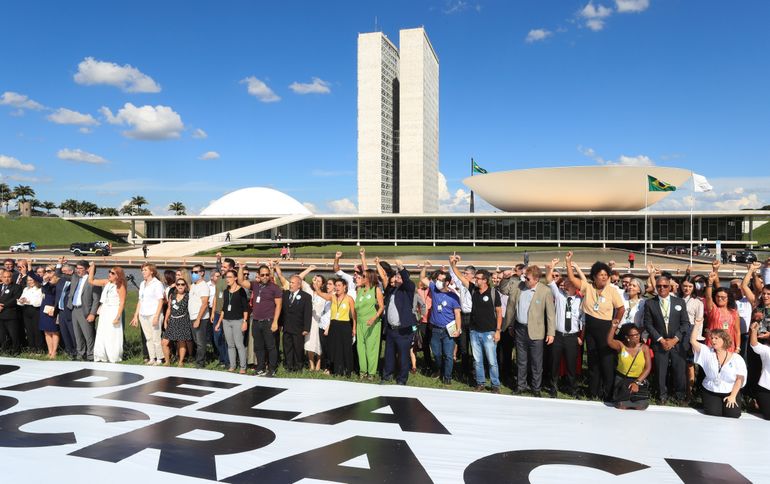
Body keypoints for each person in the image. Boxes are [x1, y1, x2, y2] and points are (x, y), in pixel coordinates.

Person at [565, 251, 625, 401]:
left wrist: (615, 324)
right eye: (601, 274)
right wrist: (568, 262)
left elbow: (621, 309)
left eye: (606, 274)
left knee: (607, 362)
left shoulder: (612, 290)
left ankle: (608, 392)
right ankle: (594, 391)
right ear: (594, 276)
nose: (604, 277)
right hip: (591, 329)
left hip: (606, 329)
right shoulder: (588, 287)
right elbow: (572, 278)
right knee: (593, 361)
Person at [499, 264, 555, 397]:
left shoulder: (545, 291)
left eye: (528, 278)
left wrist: (551, 333)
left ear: (536, 279)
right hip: (519, 329)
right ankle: (521, 385)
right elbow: (504, 291)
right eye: (525, 277)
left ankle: (536, 388)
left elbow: (550, 314)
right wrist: (505, 279)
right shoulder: (519, 286)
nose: (525, 280)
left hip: (536, 331)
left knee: (536, 362)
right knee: (521, 360)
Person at [451, 255, 502, 393]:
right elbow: (461, 277)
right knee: (477, 360)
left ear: (485, 280)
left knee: (492, 361)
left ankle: (495, 384)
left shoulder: (493, 293)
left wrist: (497, 331)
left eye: (478, 278)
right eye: (476, 278)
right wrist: (453, 265)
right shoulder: (473, 289)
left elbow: (499, 313)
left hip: (489, 332)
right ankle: (480, 383)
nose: (475, 280)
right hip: (475, 332)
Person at [644, 275, 690, 403]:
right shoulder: (650, 303)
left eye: (665, 286)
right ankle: (661, 395)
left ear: (670, 287)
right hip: (660, 343)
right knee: (660, 371)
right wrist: (661, 340)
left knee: (679, 370)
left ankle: (680, 396)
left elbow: (685, 323)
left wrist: (675, 339)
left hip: (677, 343)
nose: (662, 288)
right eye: (659, 286)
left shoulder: (679, 302)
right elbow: (648, 324)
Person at [690, 321, 747, 418]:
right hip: (711, 389)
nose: (713, 340)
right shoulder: (707, 352)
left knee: (733, 415)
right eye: (711, 338)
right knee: (714, 414)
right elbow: (692, 341)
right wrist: (697, 325)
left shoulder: (737, 358)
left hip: (730, 391)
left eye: (716, 338)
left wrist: (733, 396)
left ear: (724, 340)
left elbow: (740, 379)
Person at [544, 259, 583, 397]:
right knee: (554, 362)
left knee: (571, 364)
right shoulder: (559, 296)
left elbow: (582, 320)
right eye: (564, 284)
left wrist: (580, 336)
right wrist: (552, 266)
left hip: (572, 336)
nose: (565, 286)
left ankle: (572, 388)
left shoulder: (580, 301)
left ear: (575, 287)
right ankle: (553, 387)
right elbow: (549, 279)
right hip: (558, 335)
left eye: (568, 285)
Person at [420, 263, 461, 385]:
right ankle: (438, 369)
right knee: (437, 354)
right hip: (435, 329)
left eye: (441, 280)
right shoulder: (434, 289)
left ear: (448, 282)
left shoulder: (453, 296)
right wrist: (424, 267)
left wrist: (458, 329)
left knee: (448, 355)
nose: (438, 282)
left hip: (448, 330)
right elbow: (422, 278)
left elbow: (457, 314)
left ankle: (447, 377)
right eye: (438, 279)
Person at [239, 263, 282, 376]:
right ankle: (261, 368)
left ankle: (272, 369)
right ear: (258, 275)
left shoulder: (275, 288)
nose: (265, 277)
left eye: (267, 274)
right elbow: (241, 281)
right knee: (258, 346)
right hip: (256, 321)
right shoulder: (255, 285)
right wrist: (240, 268)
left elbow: (278, 306)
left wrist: (275, 321)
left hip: (269, 321)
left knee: (271, 346)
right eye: (262, 275)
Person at [381, 259, 417, 385]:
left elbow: (406, 280)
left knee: (403, 357)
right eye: (396, 276)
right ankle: (387, 376)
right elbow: (385, 279)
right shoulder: (392, 290)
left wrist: (401, 267)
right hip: (391, 329)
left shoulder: (408, 289)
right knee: (389, 355)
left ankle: (402, 379)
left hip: (403, 330)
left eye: (398, 276)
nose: (396, 278)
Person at [316, 277, 356, 376]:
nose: (337, 288)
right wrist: (316, 285)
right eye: (336, 286)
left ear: (344, 287)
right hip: (334, 325)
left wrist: (354, 328)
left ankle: (347, 370)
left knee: (345, 348)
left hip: (345, 325)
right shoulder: (332, 297)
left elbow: (354, 315)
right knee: (334, 348)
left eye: (339, 286)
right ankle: (336, 369)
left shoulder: (349, 299)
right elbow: (320, 294)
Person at [607, 322, 652, 410]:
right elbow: (610, 342)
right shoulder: (621, 346)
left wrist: (637, 382)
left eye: (638, 334)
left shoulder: (644, 348)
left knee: (642, 405)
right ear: (627, 337)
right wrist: (613, 328)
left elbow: (648, 368)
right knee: (621, 404)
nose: (637, 337)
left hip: (638, 380)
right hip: (622, 380)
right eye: (634, 335)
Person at [88, 264, 127, 363]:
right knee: (102, 332)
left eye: (112, 273)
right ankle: (101, 355)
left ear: (118, 275)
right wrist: (92, 268)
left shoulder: (120, 286)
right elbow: (91, 281)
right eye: (109, 271)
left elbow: (122, 302)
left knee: (112, 333)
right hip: (105, 310)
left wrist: (118, 316)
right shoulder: (106, 282)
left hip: (114, 310)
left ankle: (113, 356)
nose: (110, 274)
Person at [214, 270, 249, 373]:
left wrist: (245, 321)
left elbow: (245, 309)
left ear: (235, 278)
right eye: (226, 277)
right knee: (230, 345)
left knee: (239, 345)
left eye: (229, 277)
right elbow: (224, 309)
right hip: (226, 321)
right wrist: (219, 323)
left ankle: (243, 367)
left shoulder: (241, 291)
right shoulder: (225, 291)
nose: (227, 279)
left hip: (238, 321)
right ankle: (232, 366)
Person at [131, 263, 165, 365]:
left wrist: (157, 316)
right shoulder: (142, 284)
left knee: (156, 338)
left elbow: (160, 301)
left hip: (154, 314)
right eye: (142, 270)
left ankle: (159, 358)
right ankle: (152, 358)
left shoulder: (157, 284)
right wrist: (136, 315)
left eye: (145, 270)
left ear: (151, 271)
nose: (143, 272)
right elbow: (140, 300)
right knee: (148, 338)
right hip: (143, 314)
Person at [67, 260, 101, 361]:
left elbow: (96, 299)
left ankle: (91, 355)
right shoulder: (75, 278)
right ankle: (80, 354)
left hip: (85, 311)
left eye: (81, 268)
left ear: (87, 269)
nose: (78, 270)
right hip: (74, 309)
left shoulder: (94, 281)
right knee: (77, 335)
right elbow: (60, 274)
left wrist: (92, 313)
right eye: (77, 268)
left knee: (88, 335)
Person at [355, 266, 384, 379]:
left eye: (363, 276)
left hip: (372, 323)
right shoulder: (359, 290)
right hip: (360, 323)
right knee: (360, 348)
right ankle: (363, 371)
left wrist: (374, 317)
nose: (361, 278)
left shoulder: (376, 289)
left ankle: (371, 373)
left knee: (371, 348)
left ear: (369, 278)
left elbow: (381, 307)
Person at [280, 275, 312, 372]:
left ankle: (298, 366)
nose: (290, 284)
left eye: (293, 283)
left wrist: (306, 328)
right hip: (287, 327)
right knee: (287, 347)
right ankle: (289, 366)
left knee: (298, 348)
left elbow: (308, 313)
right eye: (290, 282)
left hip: (299, 328)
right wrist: (281, 324)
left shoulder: (306, 296)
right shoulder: (285, 294)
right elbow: (282, 311)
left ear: (299, 285)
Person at [679, 275, 705, 398]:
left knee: (689, 364)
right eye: (684, 286)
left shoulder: (698, 302)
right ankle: (679, 389)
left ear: (694, 287)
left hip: (691, 333)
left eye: (690, 286)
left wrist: (694, 339)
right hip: (677, 332)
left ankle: (689, 392)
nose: (687, 288)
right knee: (678, 363)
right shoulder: (675, 298)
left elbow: (699, 321)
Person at [704, 272, 740, 353]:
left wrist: (737, 347)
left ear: (728, 298)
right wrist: (709, 283)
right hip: (712, 346)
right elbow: (708, 297)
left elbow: (737, 331)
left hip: (729, 346)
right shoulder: (713, 309)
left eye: (723, 297)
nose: (720, 299)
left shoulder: (734, 312)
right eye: (718, 297)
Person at [164, 277, 193, 366]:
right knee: (164, 342)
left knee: (181, 342)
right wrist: (165, 320)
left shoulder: (188, 296)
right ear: (176, 286)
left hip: (183, 320)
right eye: (178, 284)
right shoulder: (172, 295)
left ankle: (181, 361)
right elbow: (169, 309)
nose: (180, 286)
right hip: (172, 320)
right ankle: (167, 361)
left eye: (182, 284)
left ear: (185, 286)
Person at [188, 264, 210, 368]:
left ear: (202, 273)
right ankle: (199, 359)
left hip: (200, 318)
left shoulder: (204, 286)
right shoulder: (193, 285)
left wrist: (198, 319)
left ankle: (200, 363)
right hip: (192, 317)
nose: (193, 274)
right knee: (196, 341)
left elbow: (204, 303)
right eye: (192, 272)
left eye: (196, 272)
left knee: (201, 342)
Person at [18, 268, 44, 352]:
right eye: (28, 280)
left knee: (37, 331)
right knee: (29, 331)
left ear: (35, 280)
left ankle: (39, 349)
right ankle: (32, 349)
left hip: (35, 311)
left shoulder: (40, 289)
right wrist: (21, 301)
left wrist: (28, 301)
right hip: (26, 311)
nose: (30, 282)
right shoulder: (26, 289)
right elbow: (20, 300)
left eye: (31, 280)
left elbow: (39, 302)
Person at [749, 321, 770, 419]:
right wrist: (754, 331)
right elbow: (754, 345)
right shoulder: (767, 350)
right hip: (765, 389)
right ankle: (756, 401)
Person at [0, 269, 23, 354]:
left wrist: (3, 306)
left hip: (11, 315)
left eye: (8, 277)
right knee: (2, 335)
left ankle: (16, 351)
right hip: (1, 315)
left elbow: (15, 299)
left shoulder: (17, 287)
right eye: (4, 277)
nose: (6, 279)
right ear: (1, 278)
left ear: (12, 277)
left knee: (14, 335)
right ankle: (4, 350)